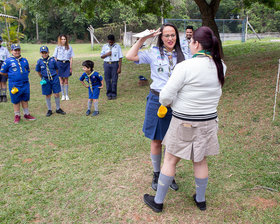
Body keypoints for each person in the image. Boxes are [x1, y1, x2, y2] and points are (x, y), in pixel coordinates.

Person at [143, 26, 227, 213]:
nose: (189, 44)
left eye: (191, 41)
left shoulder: (185, 66)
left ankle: (157, 202)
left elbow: (165, 97)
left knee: (170, 159)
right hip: (209, 121)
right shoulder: (220, 65)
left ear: (196, 43)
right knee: (200, 160)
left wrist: (176, 100)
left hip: (184, 121)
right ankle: (200, 200)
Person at [126, 23, 185, 192]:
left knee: (173, 141)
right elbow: (130, 56)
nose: (170, 38)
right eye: (166, 35)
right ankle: (157, 173)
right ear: (160, 37)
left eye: (173, 35)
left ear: (177, 36)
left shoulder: (184, 54)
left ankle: (169, 174)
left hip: (177, 102)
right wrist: (144, 39)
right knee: (156, 139)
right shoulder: (153, 53)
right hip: (157, 100)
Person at [0, 44, 36, 124]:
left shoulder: (24, 60)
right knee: (16, 100)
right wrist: (11, 76)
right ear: (11, 51)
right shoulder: (8, 61)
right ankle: (17, 115)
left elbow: (27, 70)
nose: (17, 52)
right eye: (15, 50)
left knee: (25, 99)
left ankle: (26, 114)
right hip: (14, 84)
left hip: (25, 83)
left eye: (18, 50)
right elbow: (2, 72)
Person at [35, 46, 66, 117]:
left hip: (54, 78)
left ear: (48, 52)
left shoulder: (52, 60)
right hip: (45, 79)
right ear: (40, 53)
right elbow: (38, 71)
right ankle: (49, 109)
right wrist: (43, 77)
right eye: (43, 53)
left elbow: (56, 69)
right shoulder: (39, 61)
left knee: (56, 93)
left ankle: (58, 108)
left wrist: (55, 75)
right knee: (48, 94)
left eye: (46, 52)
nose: (44, 54)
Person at [100, 34, 123, 100]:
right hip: (106, 64)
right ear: (107, 41)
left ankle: (114, 93)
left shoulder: (117, 46)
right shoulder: (104, 46)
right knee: (107, 79)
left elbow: (120, 57)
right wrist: (107, 54)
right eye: (109, 42)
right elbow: (101, 56)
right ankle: (109, 94)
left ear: (114, 41)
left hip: (114, 64)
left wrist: (119, 67)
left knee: (114, 79)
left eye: (112, 42)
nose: (111, 43)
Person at [53, 34, 74, 101]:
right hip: (59, 63)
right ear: (60, 40)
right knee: (61, 80)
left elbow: (71, 57)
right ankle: (63, 95)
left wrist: (70, 66)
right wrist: (56, 65)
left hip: (67, 64)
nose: (63, 40)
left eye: (64, 39)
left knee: (66, 80)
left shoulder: (69, 47)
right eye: (62, 39)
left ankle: (67, 95)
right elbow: (55, 57)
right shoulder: (57, 47)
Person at [0, 36, 10, 102]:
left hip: (3, 65)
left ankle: (4, 95)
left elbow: (8, 58)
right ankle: (0, 96)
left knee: (3, 81)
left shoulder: (4, 49)